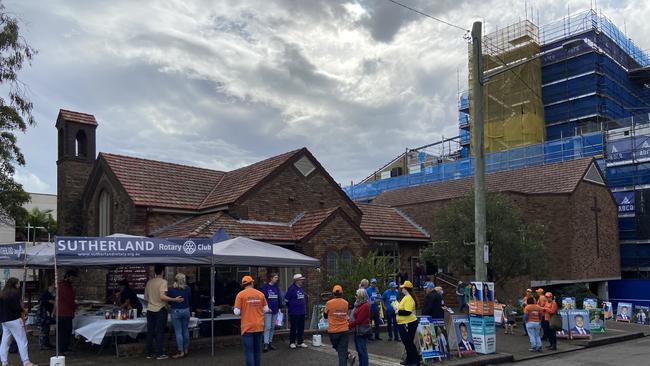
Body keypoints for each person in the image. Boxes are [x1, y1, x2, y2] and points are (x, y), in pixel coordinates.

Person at [144, 264, 183, 360]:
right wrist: (174, 300)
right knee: (160, 332)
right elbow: (162, 296)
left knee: (150, 332)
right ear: (162, 272)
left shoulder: (149, 282)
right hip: (160, 310)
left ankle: (149, 353)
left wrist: (152, 301)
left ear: (155, 272)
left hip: (150, 310)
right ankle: (159, 353)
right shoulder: (163, 282)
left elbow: (145, 297)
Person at [0, 278, 37, 366]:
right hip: (15, 319)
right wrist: (24, 311)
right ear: (15, 284)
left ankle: (4, 362)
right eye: (18, 283)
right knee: (22, 340)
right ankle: (26, 361)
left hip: (4, 320)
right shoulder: (16, 293)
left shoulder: (2, 294)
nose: (19, 285)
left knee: (5, 341)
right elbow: (17, 307)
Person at [235, 275, 269, 366]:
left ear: (243, 284)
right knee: (257, 350)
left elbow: (236, 312)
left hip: (247, 327)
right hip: (259, 325)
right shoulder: (260, 294)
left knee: (249, 351)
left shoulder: (240, 295)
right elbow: (266, 309)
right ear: (252, 283)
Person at [324, 285, 350, 366]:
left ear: (333, 293)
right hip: (344, 330)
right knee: (341, 350)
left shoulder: (329, 303)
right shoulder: (346, 303)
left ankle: (347, 355)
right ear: (342, 293)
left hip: (333, 331)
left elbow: (325, 316)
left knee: (339, 350)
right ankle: (348, 355)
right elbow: (346, 313)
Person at [168, 273, 192, 359]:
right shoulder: (188, 289)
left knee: (178, 332)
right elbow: (190, 299)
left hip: (176, 311)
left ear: (175, 279)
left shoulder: (171, 289)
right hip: (186, 310)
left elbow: (169, 302)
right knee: (185, 330)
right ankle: (186, 349)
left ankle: (180, 351)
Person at [396, 280, 419, 366]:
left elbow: (408, 312)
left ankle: (415, 361)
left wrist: (398, 311)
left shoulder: (409, 298)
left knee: (408, 343)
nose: (401, 289)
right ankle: (409, 360)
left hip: (408, 323)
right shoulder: (406, 297)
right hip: (406, 323)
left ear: (406, 289)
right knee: (407, 343)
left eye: (402, 288)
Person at [55, 270, 77, 354]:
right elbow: (69, 299)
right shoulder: (64, 286)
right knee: (64, 332)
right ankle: (63, 349)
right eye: (73, 278)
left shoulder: (64, 285)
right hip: (64, 313)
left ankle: (65, 347)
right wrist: (75, 306)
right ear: (68, 277)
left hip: (64, 312)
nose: (74, 280)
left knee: (66, 331)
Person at [284, 274, 307, 349]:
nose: (302, 281)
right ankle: (292, 342)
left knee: (301, 327)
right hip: (294, 312)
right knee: (294, 327)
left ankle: (300, 342)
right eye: (301, 280)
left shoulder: (301, 288)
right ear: (297, 280)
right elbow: (286, 300)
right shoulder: (291, 289)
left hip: (302, 311)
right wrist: (291, 307)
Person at [349, 288, 370, 366]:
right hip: (357, 330)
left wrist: (349, 325)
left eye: (357, 295)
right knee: (359, 350)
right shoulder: (358, 304)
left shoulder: (365, 306)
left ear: (361, 296)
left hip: (361, 330)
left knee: (362, 350)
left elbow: (359, 320)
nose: (355, 296)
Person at [261, 273, 281, 352]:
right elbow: (263, 298)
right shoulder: (265, 287)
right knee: (267, 327)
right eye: (275, 277)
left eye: (277, 277)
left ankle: (270, 343)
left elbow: (278, 297)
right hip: (268, 310)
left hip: (275, 310)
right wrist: (267, 308)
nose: (277, 279)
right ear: (271, 278)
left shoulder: (276, 287)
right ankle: (265, 344)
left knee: (272, 327)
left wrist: (279, 307)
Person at [37, 284, 55, 350]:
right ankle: (42, 344)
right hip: (44, 315)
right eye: (52, 287)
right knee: (43, 329)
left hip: (47, 314)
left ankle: (46, 343)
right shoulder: (46, 294)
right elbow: (44, 301)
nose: (53, 288)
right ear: (49, 287)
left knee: (47, 329)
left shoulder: (50, 294)